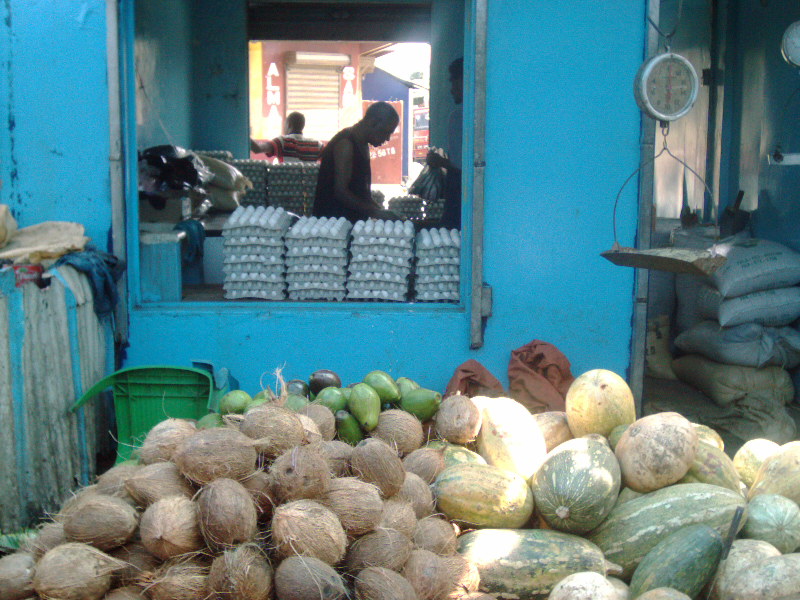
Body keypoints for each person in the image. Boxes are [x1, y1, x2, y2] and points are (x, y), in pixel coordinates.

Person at [313, 101, 401, 222]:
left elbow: (361, 193)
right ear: (372, 122)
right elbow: (341, 192)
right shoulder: (346, 145)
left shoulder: (362, 144)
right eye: (385, 132)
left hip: (350, 223)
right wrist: (375, 212)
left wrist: (381, 212)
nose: (387, 138)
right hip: (332, 226)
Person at [425, 57, 463, 230]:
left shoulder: (458, 118)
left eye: (454, 84)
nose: (452, 90)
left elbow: (463, 166)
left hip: (461, 194)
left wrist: (440, 162)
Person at [250, 111, 323, 163]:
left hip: (287, 184)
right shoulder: (317, 145)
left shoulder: (282, 142)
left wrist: (244, 130)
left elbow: (257, 149)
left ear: (289, 125)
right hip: (310, 185)